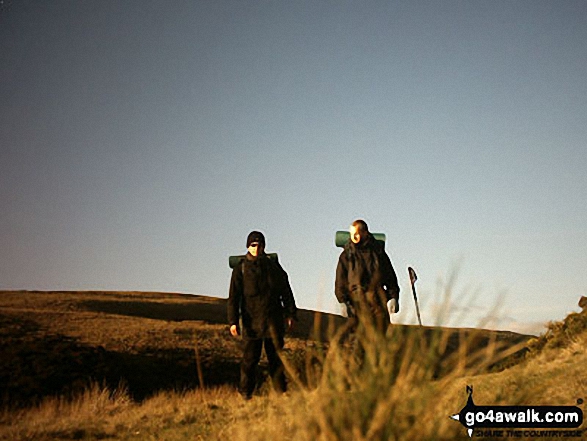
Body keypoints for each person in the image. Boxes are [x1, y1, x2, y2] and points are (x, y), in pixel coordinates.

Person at [228, 231, 297, 399]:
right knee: (249, 361)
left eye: (259, 245)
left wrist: (290, 313)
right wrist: (233, 321)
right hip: (252, 323)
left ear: (264, 247)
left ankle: (281, 393)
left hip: (273, 321)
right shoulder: (240, 270)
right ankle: (245, 395)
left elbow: (286, 291)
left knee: (276, 359)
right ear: (248, 246)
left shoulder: (274, 268)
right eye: (253, 245)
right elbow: (233, 297)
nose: (256, 248)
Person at [335, 219, 400, 332]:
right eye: (351, 234)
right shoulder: (346, 256)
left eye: (356, 233)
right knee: (358, 344)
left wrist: (393, 297)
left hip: (378, 306)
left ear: (365, 233)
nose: (353, 237)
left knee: (380, 344)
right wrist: (342, 302)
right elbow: (340, 281)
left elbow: (390, 278)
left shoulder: (379, 254)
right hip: (356, 306)